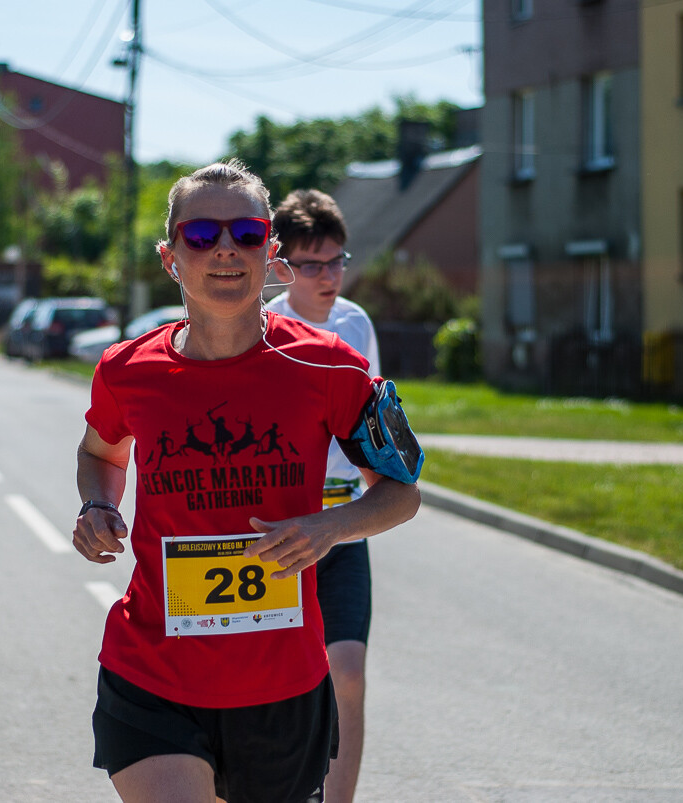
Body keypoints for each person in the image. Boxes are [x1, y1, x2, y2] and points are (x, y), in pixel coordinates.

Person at [73, 160, 420, 803]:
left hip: (282, 687)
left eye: (248, 233)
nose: (226, 249)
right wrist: (98, 502)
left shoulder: (329, 365)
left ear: (271, 251)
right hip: (153, 673)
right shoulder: (127, 369)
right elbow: (102, 451)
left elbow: (403, 491)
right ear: (171, 256)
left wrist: (331, 526)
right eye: (201, 234)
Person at [265, 188, 379, 803]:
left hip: (342, 526)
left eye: (337, 260)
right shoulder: (264, 333)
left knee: (349, 672)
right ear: (281, 266)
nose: (329, 276)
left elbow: (370, 424)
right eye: (313, 264)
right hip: (282, 532)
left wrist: (380, 492)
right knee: (274, 682)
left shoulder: (356, 324)